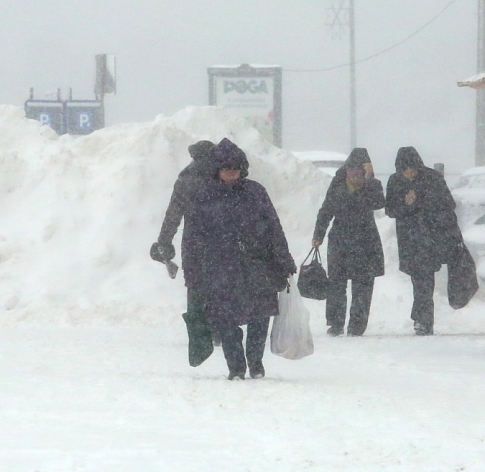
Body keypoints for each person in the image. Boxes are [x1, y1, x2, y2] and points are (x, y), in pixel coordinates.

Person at [182, 138, 297, 380]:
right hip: (220, 269)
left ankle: (255, 362)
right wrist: (192, 272)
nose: (231, 172)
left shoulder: (256, 192)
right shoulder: (203, 197)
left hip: (257, 265)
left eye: (235, 168)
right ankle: (236, 366)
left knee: (260, 315)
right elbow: (192, 238)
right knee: (226, 320)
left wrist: (283, 258)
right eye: (226, 168)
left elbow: (274, 227)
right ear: (217, 170)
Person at [150, 140, 219, 363]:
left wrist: (164, 241)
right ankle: (220, 327)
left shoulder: (186, 178)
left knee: (196, 288)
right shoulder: (221, 174)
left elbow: (173, 214)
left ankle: (199, 335)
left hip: (194, 242)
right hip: (222, 240)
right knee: (221, 284)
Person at [385, 146, 462, 335]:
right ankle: (421, 318)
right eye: (405, 170)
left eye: (412, 169)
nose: (409, 173)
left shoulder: (432, 178)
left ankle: (423, 321)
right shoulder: (395, 181)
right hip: (409, 239)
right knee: (418, 280)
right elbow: (390, 210)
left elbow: (448, 204)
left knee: (425, 280)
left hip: (430, 237)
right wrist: (406, 203)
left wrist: (421, 201)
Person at [311, 148, 385, 337]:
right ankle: (336, 324)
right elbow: (326, 210)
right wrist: (318, 234)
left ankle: (357, 326)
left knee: (363, 285)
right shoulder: (337, 184)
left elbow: (378, 202)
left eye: (360, 169)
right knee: (336, 284)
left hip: (366, 242)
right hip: (340, 241)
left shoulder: (371, 186)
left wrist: (370, 179)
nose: (355, 173)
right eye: (351, 168)